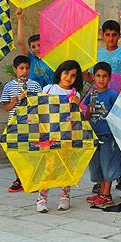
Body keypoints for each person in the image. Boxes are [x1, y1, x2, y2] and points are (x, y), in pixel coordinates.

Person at [37, 60, 83, 212]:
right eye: (66, 73)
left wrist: (77, 104)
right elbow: (40, 109)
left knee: (66, 166)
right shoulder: (49, 89)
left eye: (73, 75)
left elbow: (78, 118)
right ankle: (42, 198)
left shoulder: (75, 93)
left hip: (67, 135)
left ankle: (65, 196)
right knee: (48, 167)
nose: (69, 78)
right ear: (60, 72)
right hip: (49, 135)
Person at [0, 55, 42, 192]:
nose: (24, 71)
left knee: (31, 151)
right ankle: (19, 179)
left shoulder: (34, 85)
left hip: (31, 123)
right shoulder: (9, 86)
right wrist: (16, 100)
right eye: (21, 68)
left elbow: (40, 105)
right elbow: (6, 107)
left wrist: (29, 98)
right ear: (15, 70)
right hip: (14, 123)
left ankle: (30, 178)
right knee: (16, 152)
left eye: (27, 68)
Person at [84, 62, 121, 208]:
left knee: (108, 164)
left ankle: (107, 195)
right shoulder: (92, 95)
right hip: (95, 135)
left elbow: (120, 113)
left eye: (104, 76)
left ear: (109, 78)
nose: (101, 79)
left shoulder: (112, 95)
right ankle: (101, 192)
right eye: (98, 76)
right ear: (94, 77)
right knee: (97, 166)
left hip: (108, 135)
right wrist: (89, 109)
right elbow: (87, 115)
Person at [15, 9, 54, 87]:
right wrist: (20, 19)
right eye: (33, 47)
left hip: (49, 95)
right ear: (30, 49)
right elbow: (21, 42)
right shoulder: (31, 59)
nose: (37, 48)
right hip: (32, 94)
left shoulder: (53, 60)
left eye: (39, 45)